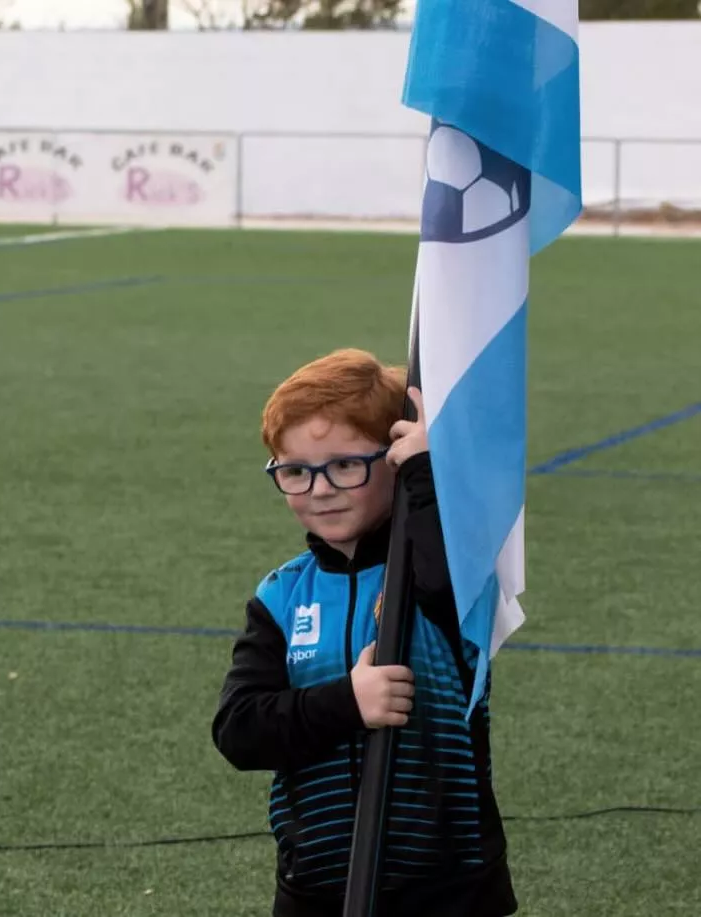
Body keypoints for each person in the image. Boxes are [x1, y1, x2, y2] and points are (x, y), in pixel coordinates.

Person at [211, 348, 516, 917]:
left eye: (346, 465)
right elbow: (239, 729)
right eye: (295, 472)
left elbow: (448, 578)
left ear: (394, 459)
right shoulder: (282, 596)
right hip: (318, 889)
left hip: (449, 890)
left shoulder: (443, 569)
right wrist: (347, 703)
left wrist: (427, 470)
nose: (319, 489)